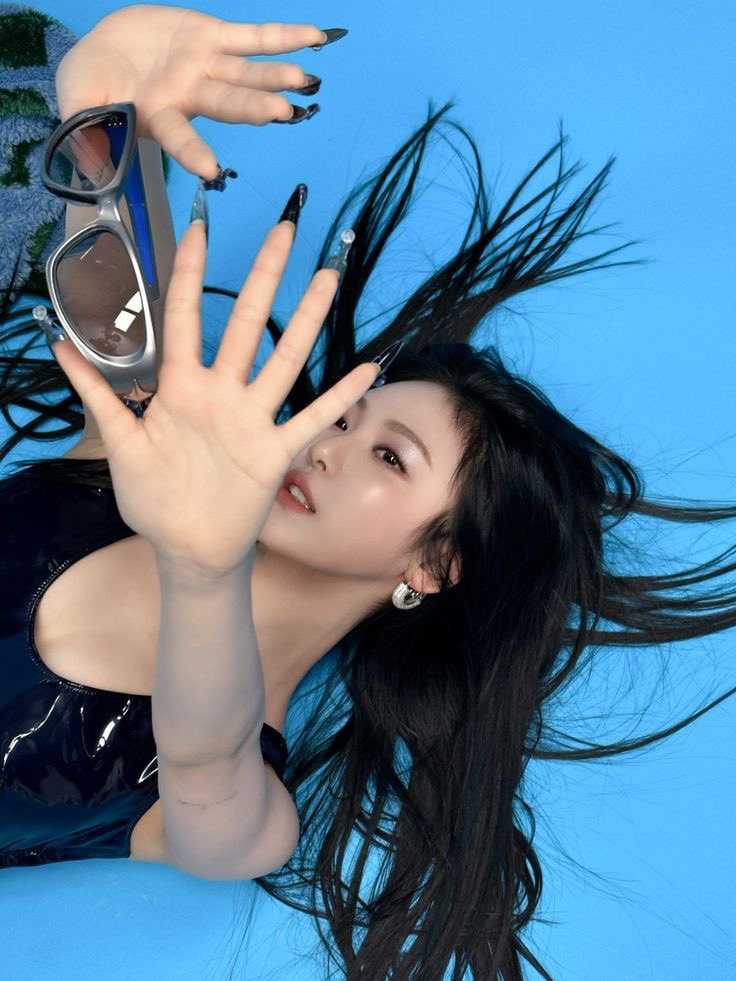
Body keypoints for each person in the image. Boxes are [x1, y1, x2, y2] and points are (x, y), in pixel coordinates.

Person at [1, 5, 735, 980]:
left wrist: (201, 566)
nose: (327, 447)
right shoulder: (151, 454)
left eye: (391, 457)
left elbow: (207, 754)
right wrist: (99, 110)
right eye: (344, 419)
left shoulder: (243, 813)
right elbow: (122, 271)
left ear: (435, 563)